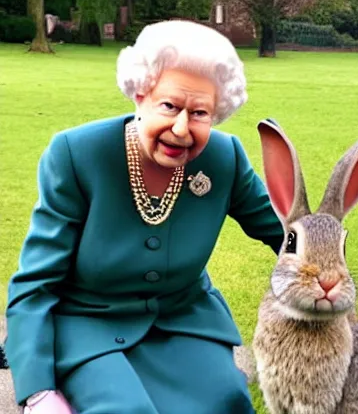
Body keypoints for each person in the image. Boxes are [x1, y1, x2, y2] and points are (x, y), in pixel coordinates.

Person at [5, 20, 284, 413]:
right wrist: (37, 391)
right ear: (140, 94)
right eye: (169, 106)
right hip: (89, 326)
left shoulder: (225, 158)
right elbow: (35, 283)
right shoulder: (78, 154)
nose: (182, 128)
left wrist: (324, 282)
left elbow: (288, 234)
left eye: (200, 113)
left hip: (183, 321)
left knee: (225, 403)